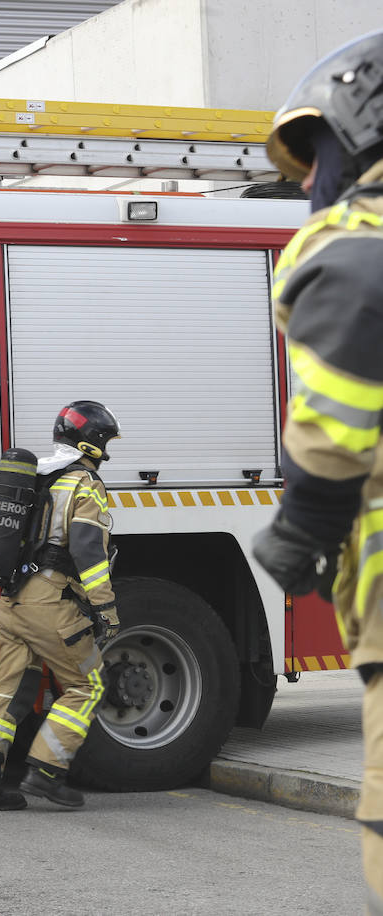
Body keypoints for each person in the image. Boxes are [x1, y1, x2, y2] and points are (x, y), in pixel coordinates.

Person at [250, 29, 383, 911]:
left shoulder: (356, 234)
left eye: (318, 151)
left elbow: (358, 292)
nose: (307, 179)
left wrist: (306, 521)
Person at [0, 400, 122, 811]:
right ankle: (46, 772)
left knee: (9, 690)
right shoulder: (84, 484)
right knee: (89, 685)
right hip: (48, 602)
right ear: (93, 444)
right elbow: (88, 551)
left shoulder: (36, 476)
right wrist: (106, 610)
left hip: (11, 600)